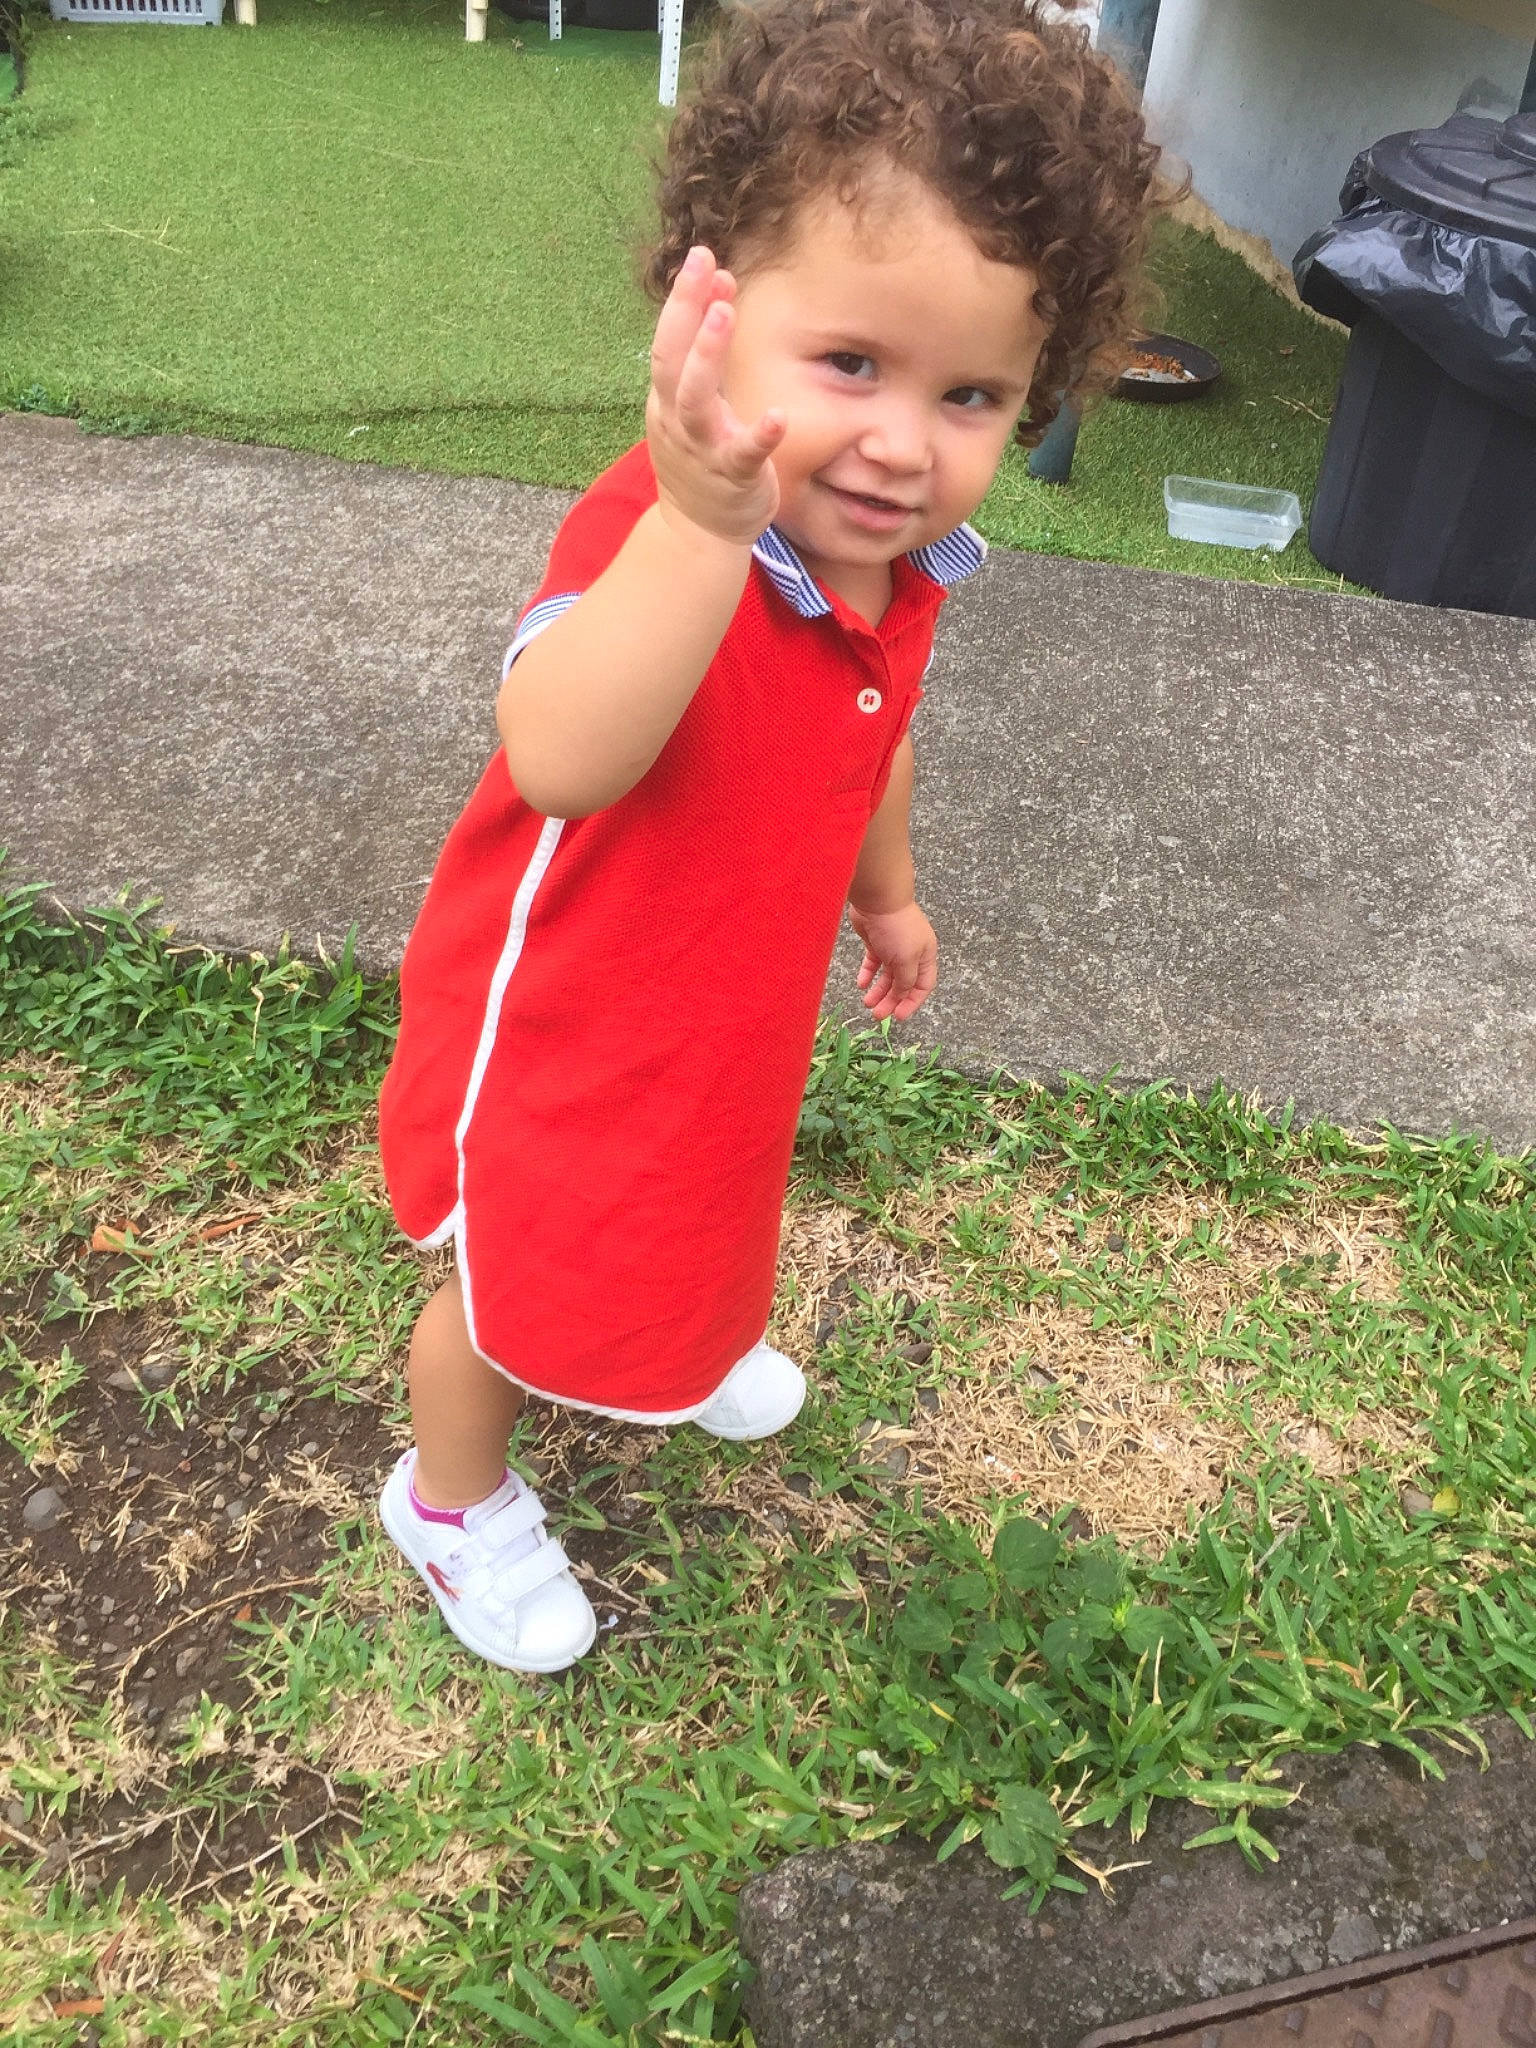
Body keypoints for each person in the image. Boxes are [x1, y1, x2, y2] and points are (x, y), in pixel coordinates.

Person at [375, 0, 1166, 1674]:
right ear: (715, 313)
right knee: (517, 1281)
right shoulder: (660, 526)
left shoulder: (897, 563)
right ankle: (448, 1495)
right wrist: (698, 530)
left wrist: (888, 895)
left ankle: (686, 1313)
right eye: (851, 366)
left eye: (971, 394)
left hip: (719, 1005)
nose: (900, 444)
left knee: (713, 1181)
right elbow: (564, 752)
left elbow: (872, 729)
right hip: (569, 1020)